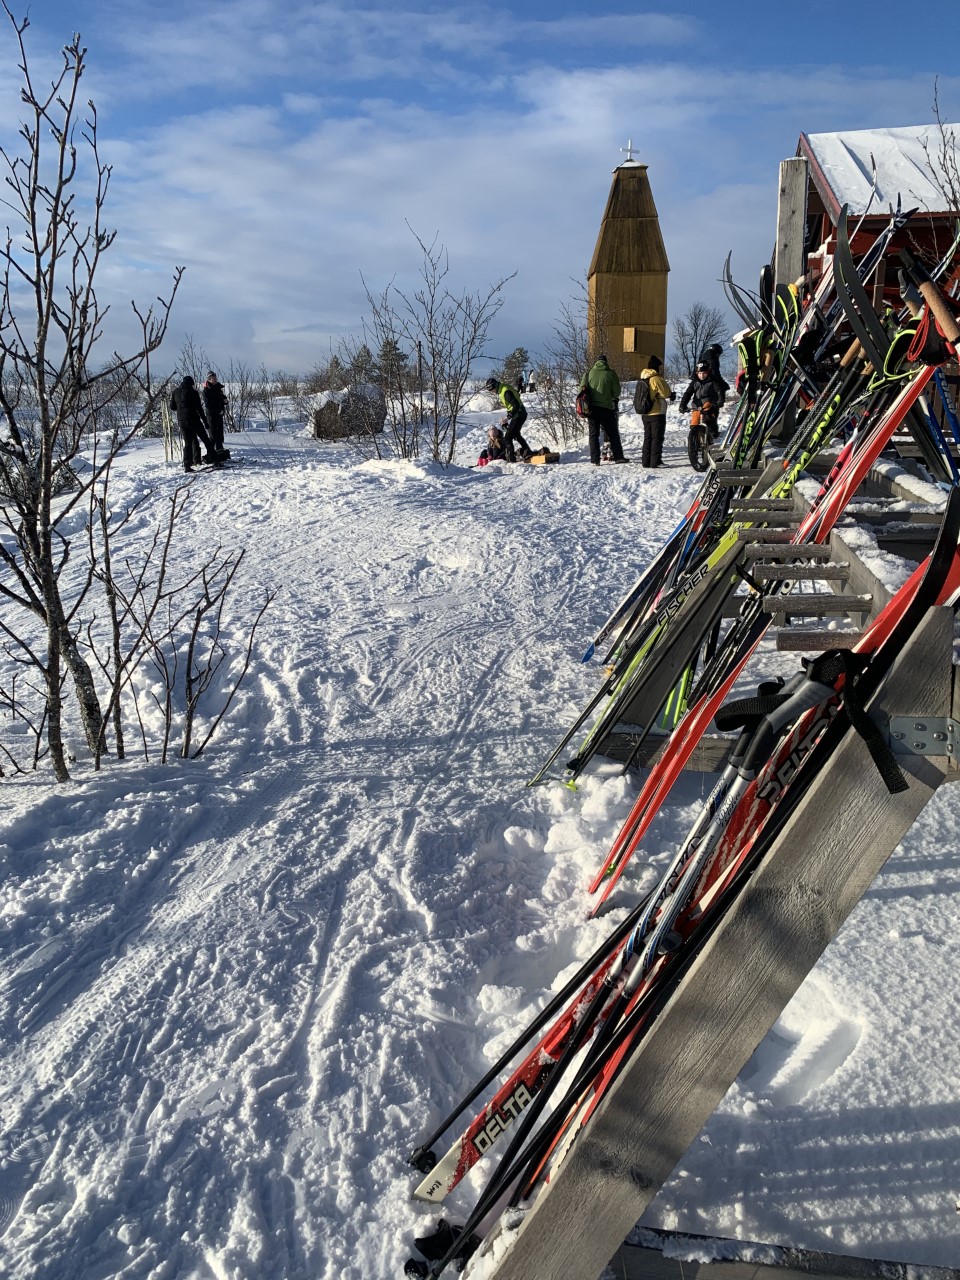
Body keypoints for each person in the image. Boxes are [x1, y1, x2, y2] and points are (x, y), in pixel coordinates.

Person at [579, 354, 626, 465]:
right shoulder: (611, 373)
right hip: (606, 408)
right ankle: (618, 457)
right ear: (606, 362)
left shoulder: (588, 374)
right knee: (613, 433)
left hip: (592, 409)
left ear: (596, 362)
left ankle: (595, 460)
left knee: (593, 435)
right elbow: (617, 392)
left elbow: (581, 389)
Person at [170, 374, 217, 472]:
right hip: (193, 419)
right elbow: (199, 409)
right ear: (191, 384)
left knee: (188, 442)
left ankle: (187, 465)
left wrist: (180, 407)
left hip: (182, 421)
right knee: (205, 439)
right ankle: (214, 459)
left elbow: (172, 407)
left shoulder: (175, 392)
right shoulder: (193, 393)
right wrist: (205, 422)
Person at [636, 354, 675, 468]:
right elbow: (666, 393)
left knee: (648, 437)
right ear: (656, 368)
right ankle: (656, 462)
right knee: (657, 437)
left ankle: (646, 461)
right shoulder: (656, 379)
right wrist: (671, 395)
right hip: (657, 412)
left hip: (645, 412)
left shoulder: (643, 378)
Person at [484, 377, 532, 461]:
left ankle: (511, 458)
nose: (492, 392)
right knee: (516, 434)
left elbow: (516, 405)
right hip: (518, 414)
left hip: (519, 414)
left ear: (494, 386)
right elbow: (515, 399)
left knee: (508, 437)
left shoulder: (505, 391)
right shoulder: (502, 389)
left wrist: (508, 417)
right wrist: (507, 419)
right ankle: (528, 451)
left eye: (491, 390)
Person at [679, 361, 727, 440]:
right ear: (697, 373)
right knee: (694, 422)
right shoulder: (694, 382)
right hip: (697, 405)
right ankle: (694, 439)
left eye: (704, 373)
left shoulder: (712, 381)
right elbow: (687, 394)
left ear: (708, 372)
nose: (701, 375)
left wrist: (720, 402)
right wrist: (682, 405)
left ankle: (712, 433)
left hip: (710, 404)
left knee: (708, 417)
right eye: (699, 373)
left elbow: (720, 392)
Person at [202, 370, 229, 456]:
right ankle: (211, 452)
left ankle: (220, 451)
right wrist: (218, 410)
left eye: (215, 378)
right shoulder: (206, 390)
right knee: (212, 434)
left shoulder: (218, 388)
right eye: (214, 378)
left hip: (219, 414)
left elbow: (223, 399)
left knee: (219, 434)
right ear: (209, 379)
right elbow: (208, 404)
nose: (215, 379)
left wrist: (225, 401)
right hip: (211, 415)